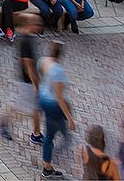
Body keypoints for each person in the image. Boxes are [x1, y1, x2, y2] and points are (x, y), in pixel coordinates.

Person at [0, 12, 42, 144]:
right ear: (29, 25)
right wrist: (35, 84)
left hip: (27, 81)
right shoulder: (26, 41)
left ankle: (36, 133)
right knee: (29, 108)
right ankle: (3, 122)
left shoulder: (28, 37)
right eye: (36, 24)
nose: (39, 26)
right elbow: (28, 65)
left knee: (31, 107)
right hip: (27, 81)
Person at [37, 39, 74, 178]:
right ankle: (47, 167)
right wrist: (70, 119)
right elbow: (59, 97)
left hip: (43, 98)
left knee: (51, 127)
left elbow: (40, 74)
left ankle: (63, 133)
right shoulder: (58, 71)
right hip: (52, 104)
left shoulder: (43, 61)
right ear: (61, 54)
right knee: (50, 134)